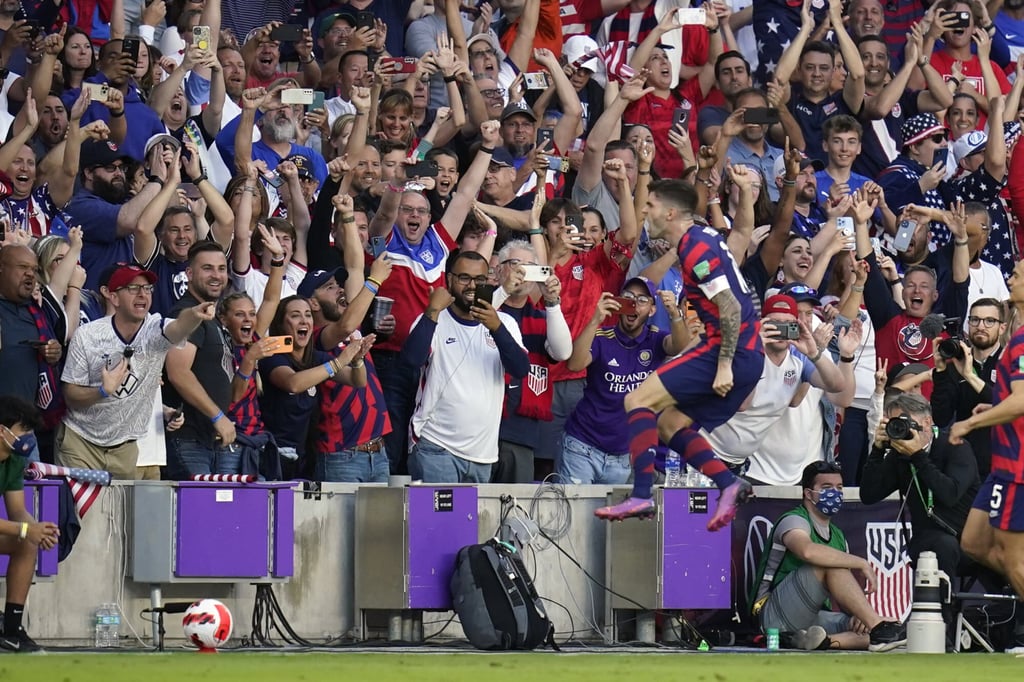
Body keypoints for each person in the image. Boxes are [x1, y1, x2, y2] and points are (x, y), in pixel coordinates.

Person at [594, 179, 763, 529]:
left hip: (726, 350)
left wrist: (724, 365)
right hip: (746, 353)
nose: (645, 212)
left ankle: (641, 495)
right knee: (669, 424)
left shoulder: (694, 247)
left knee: (637, 400)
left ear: (670, 212)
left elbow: (729, 308)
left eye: (651, 206)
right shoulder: (704, 238)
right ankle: (728, 483)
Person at [59, 264, 216, 479]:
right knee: (86, 513)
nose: (142, 294)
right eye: (133, 288)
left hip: (125, 447)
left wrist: (195, 314)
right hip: (81, 442)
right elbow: (71, 396)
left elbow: (179, 326)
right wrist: (103, 391)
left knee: (122, 513)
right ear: (114, 298)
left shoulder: (155, 330)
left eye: (147, 288)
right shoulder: (87, 336)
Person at [750, 461, 908, 651]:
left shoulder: (838, 535)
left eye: (839, 488)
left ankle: (821, 641)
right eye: (826, 487)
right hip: (772, 616)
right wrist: (861, 563)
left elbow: (843, 590)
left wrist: (859, 616)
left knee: (884, 624)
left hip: (815, 615)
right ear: (808, 494)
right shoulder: (794, 519)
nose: (835, 493)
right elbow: (807, 551)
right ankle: (878, 629)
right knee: (828, 565)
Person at [403, 250, 529, 483]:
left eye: (480, 280)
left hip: (483, 454)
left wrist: (495, 327)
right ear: (449, 279)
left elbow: (521, 369)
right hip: (436, 447)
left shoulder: (505, 323)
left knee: (473, 521)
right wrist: (432, 310)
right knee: (437, 521)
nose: (472, 286)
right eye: (464, 278)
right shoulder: (433, 319)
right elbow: (411, 360)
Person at [559, 278, 690, 485]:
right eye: (628, 297)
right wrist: (595, 320)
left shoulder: (655, 340)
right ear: (619, 302)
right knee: (573, 515)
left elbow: (680, 346)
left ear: (653, 310)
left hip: (623, 455)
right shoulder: (602, 337)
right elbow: (574, 365)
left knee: (609, 518)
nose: (634, 304)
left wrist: (675, 313)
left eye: (642, 299)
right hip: (582, 446)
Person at [952, 258, 1024, 610]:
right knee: (974, 543)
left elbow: (1023, 400)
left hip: (1018, 468)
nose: (1010, 277)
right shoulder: (1018, 336)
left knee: (1015, 561)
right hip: (1001, 468)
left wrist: (969, 423)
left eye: (1018, 275)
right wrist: (993, 408)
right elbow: (1014, 398)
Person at [861, 392, 979, 589]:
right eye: (896, 423)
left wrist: (918, 456)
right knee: (942, 545)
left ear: (927, 422)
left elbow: (949, 494)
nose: (902, 428)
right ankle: (944, 615)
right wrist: (877, 450)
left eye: (906, 422)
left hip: (968, 539)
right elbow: (868, 495)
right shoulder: (900, 455)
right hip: (927, 539)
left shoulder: (955, 445)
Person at [0, 396, 59, 653]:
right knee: (25, 535)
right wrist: (26, 529)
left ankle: (11, 630)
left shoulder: (13, 461)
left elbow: (17, 510)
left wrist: (38, 529)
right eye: (23, 430)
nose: (29, 438)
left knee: (27, 544)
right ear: (3, 431)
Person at [931, 297, 1006, 477]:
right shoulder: (955, 363)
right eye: (975, 320)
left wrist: (970, 377)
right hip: (964, 466)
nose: (981, 326)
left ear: (1001, 328)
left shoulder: (1011, 362)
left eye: (989, 321)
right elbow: (941, 418)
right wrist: (941, 372)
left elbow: (1006, 406)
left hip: (1003, 463)